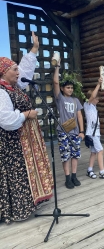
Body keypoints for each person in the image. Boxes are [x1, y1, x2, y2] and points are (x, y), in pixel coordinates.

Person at [0, 32, 53, 224]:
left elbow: (26, 69)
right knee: (17, 173)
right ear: (4, 71)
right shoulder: (1, 92)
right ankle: (17, 210)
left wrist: (35, 48)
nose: (17, 72)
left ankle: (31, 201)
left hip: (24, 138)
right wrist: (26, 115)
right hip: (11, 142)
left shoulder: (15, 87)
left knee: (26, 171)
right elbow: (5, 119)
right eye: (14, 69)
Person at [53, 59, 85, 189]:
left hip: (75, 131)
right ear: (62, 88)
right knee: (65, 155)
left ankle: (74, 175)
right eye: (67, 87)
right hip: (63, 131)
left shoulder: (76, 100)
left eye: (71, 87)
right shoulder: (60, 99)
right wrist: (57, 67)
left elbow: (79, 116)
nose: (70, 89)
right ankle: (67, 178)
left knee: (75, 154)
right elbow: (55, 82)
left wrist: (82, 131)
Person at [84, 78, 104, 179]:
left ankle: (90, 170)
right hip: (92, 133)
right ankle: (102, 172)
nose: (97, 100)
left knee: (93, 152)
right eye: (96, 98)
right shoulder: (87, 105)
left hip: (95, 133)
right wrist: (98, 84)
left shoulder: (94, 108)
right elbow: (92, 95)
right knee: (100, 150)